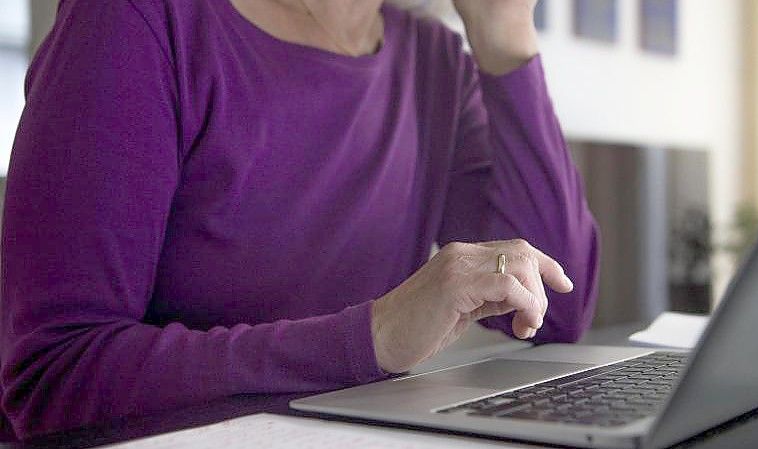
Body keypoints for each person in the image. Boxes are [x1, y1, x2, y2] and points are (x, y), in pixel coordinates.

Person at [0, 0, 599, 439]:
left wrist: (506, 32)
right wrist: (371, 337)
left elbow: (556, 310)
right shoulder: (138, 21)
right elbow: (53, 376)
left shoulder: (433, 61)